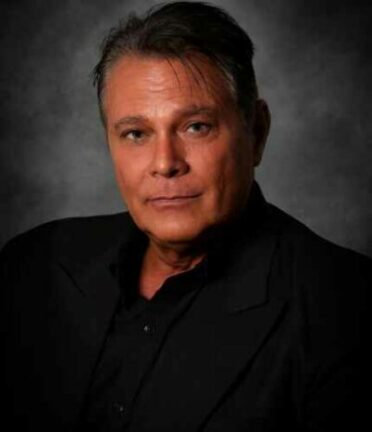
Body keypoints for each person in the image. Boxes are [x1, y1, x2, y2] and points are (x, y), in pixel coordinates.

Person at [1, 2, 370, 431]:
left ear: (257, 132)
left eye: (196, 126)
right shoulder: (30, 266)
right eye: (136, 134)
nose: (165, 163)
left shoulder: (345, 309)